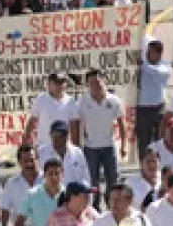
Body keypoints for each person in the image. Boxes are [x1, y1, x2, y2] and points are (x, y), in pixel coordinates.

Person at [69, 68, 127, 210]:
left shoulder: (114, 100)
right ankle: (94, 207)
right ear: (88, 85)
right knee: (92, 181)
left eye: (98, 81)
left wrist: (124, 145)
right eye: (92, 83)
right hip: (90, 148)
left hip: (109, 146)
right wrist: (76, 146)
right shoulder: (82, 102)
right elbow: (75, 123)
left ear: (104, 81)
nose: (96, 84)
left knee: (113, 179)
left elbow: (122, 123)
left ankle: (111, 205)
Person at [136, 39, 171, 159]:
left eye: (150, 52)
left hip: (158, 108)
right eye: (146, 52)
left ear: (159, 54)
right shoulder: (143, 65)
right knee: (143, 142)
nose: (147, 54)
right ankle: (144, 167)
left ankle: (160, 168)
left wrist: (143, 65)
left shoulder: (165, 67)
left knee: (160, 141)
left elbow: (156, 73)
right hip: (143, 109)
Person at [23, 72, 76, 147]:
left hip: (64, 147)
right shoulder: (41, 99)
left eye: (62, 83)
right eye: (56, 83)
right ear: (49, 84)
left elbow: (74, 125)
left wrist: (75, 146)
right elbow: (32, 121)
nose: (60, 86)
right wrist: (26, 140)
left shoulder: (71, 101)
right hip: (44, 146)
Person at [38, 120, 91, 186]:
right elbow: (38, 179)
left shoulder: (77, 152)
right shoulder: (41, 152)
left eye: (60, 135)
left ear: (67, 136)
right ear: (50, 135)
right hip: (50, 194)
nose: (56, 138)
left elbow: (85, 178)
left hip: (74, 194)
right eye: (54, 135)